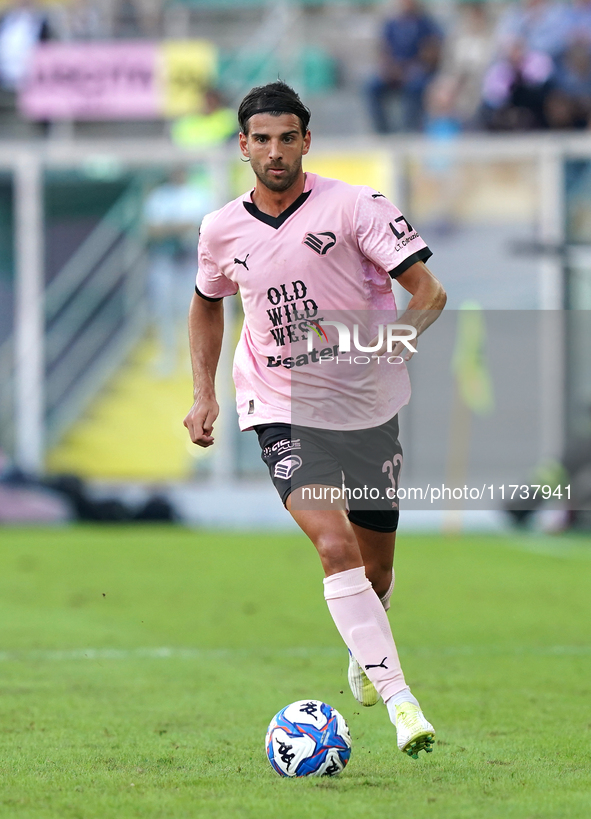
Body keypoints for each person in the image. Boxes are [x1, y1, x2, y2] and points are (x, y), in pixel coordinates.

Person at [183, 82, 447, 759]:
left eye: (287, 137)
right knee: (334, 548)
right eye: (261, 139)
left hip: (366, 409)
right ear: (242, 145)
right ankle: (402, 704)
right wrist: (203, 393)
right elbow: (207, 302)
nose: (274, 151)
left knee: (375, 571)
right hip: (280, 407)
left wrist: (390, 343)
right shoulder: (220, 229)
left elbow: (427, 292)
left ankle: (369, 647)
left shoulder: (356, 205)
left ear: (306, 140)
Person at [366, 0, 443, 133]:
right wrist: (390, 68)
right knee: (371, 86)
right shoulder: (391, 24)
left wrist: (409, 69)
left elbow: (431, 52)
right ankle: (382, 131)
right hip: (394, 71)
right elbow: (384, 50)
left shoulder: (426, 24)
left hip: (416, 70)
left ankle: (409, 130)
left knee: (415, 86)